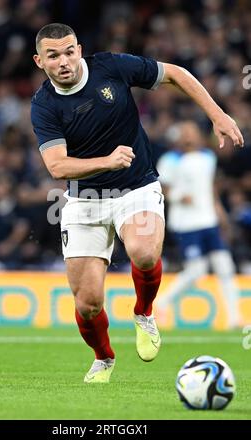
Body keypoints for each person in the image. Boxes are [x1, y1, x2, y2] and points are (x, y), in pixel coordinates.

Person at [30, 23, 244, 383]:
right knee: (88, 303)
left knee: (144, 253)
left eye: (69, 51)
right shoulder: (44, 105)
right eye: (53, 55)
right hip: (86, 200)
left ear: (79, 50)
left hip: (137, 187)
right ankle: (103, 358)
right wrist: (107, 161)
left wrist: (217, 114)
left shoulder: (111, 67)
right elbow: (57, 166)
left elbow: (175, 73)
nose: (63, 61)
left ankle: (144, 312)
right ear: (40, 61)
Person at [156, 121, 241, 328]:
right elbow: (162, 188)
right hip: (186, 223)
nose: (189, 136)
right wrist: (178, 196)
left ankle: (234, 318)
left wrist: (220, 215)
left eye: (192, 131)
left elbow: (210, 189)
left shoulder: (207, 157)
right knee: (196, 270)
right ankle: (162, 302)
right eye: (185, 132)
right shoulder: (170, 160)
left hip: (208, 220)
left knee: (225, 266)